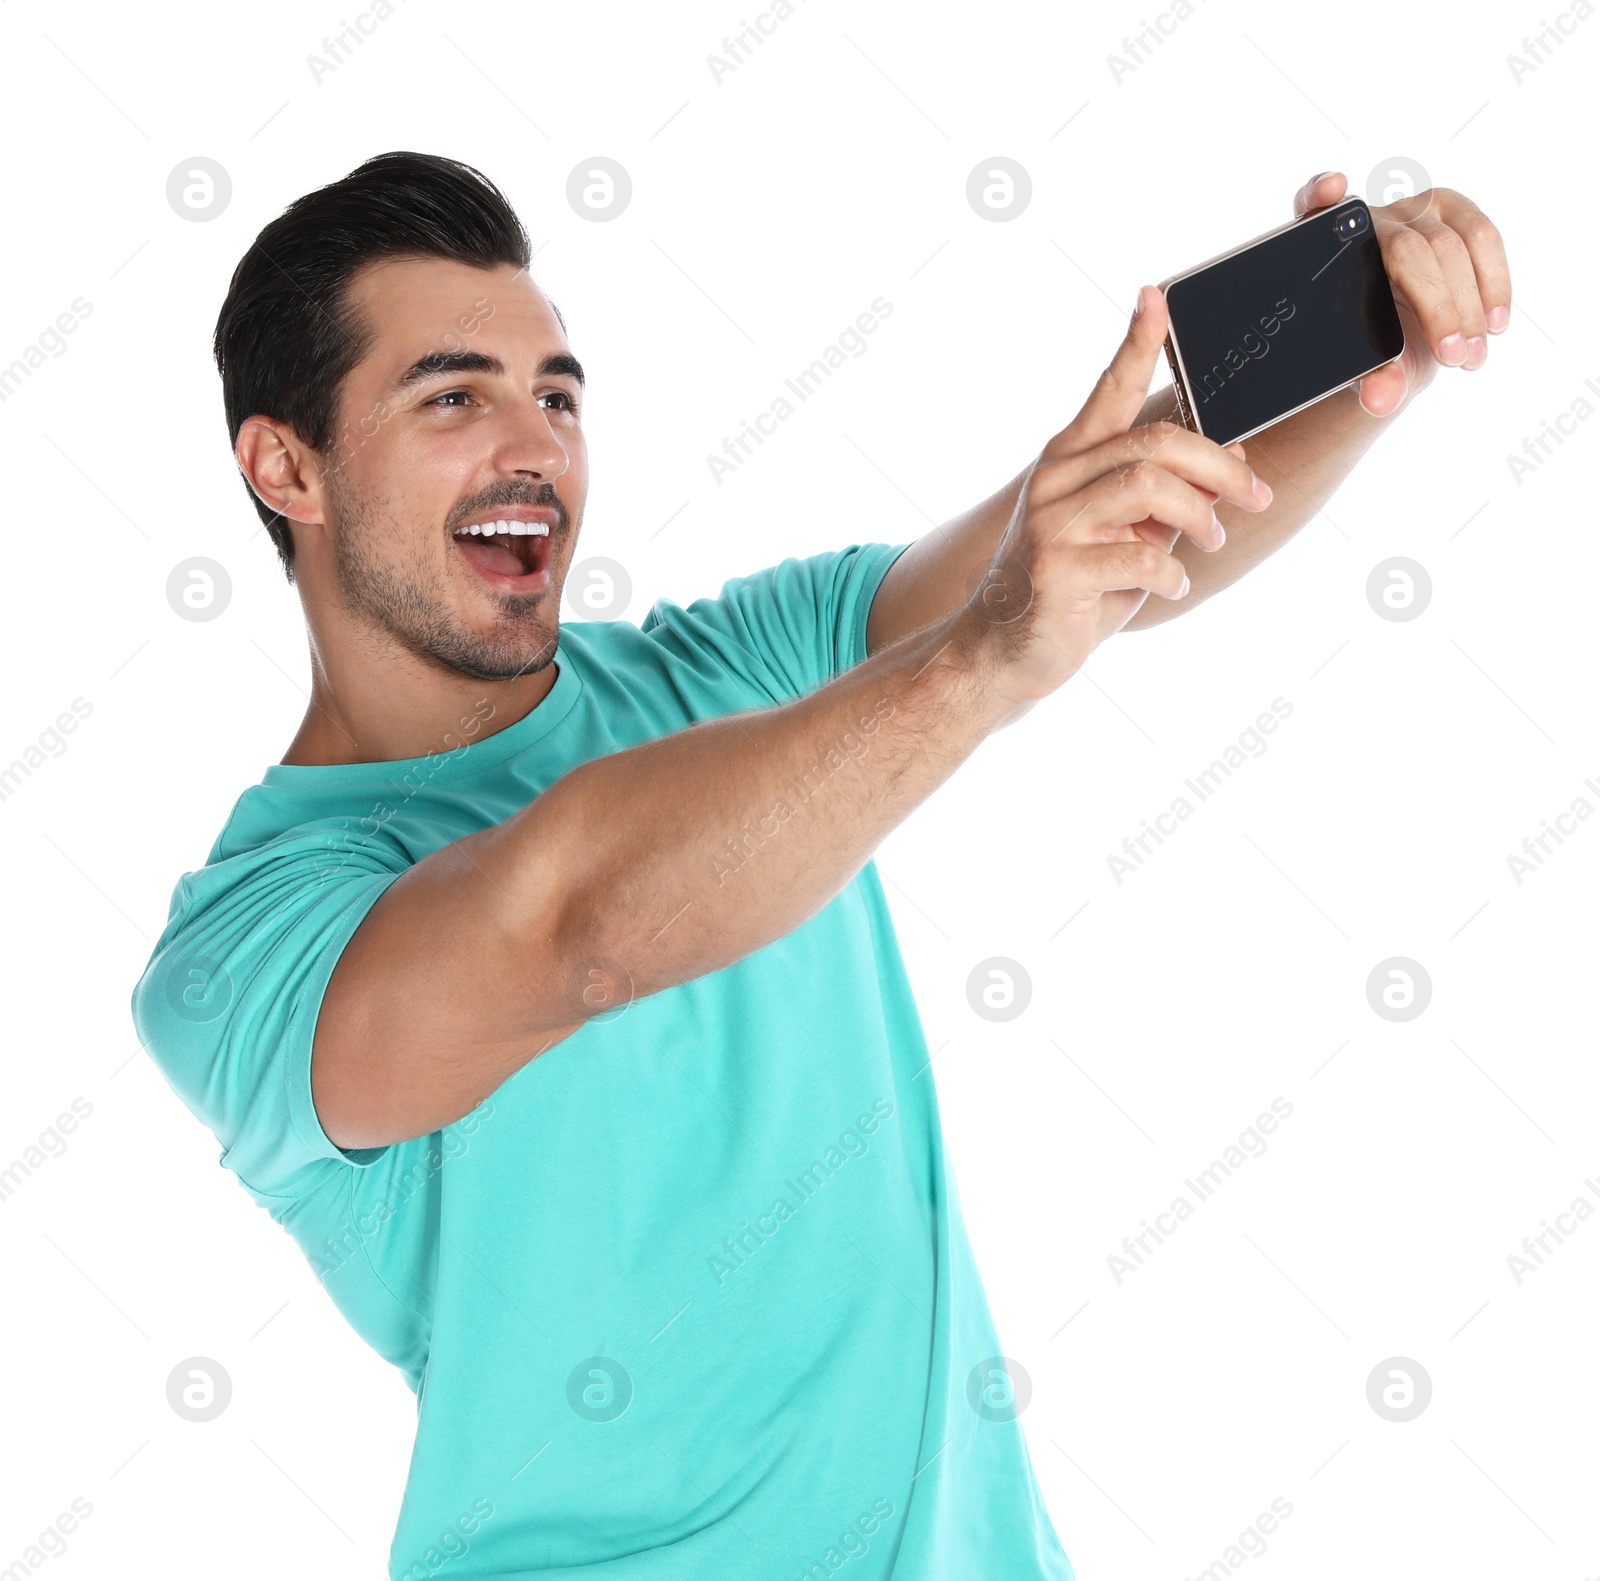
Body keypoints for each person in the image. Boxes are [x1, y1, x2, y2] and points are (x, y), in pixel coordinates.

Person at [132, 151, 1509, 1579]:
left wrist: (1354, 336)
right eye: (454, 396)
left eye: (557, 394)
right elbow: (571, 928)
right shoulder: (245, 947)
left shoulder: (733, 669)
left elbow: (1106, 538)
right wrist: (981, 654)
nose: (534, 443)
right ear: (284, 463)